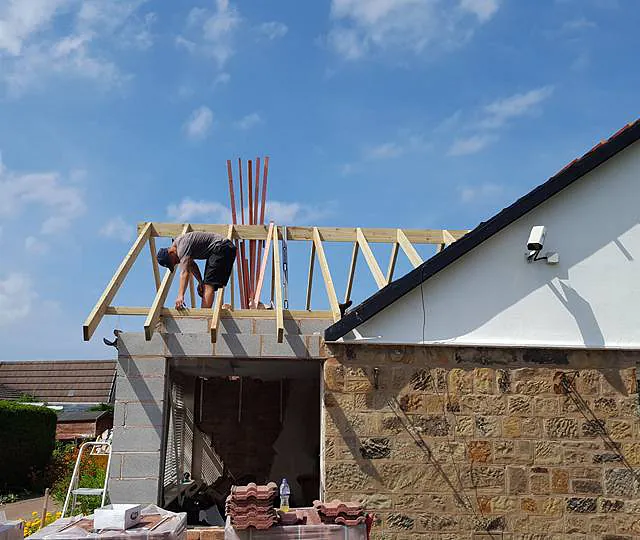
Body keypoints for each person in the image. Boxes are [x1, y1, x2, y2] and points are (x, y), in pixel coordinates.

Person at [156, 231, 237, 309]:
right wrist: (200, 281)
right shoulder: (182, 247)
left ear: (170, 252)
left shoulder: (182, 246)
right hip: (222, 249)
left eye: (173, 261)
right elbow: (191, 265)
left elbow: (184, 272)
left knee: (209, 285)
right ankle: (205, 314)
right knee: (208, 285)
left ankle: (204, 317)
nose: (176, 263)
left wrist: (180, 296)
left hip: (221, 247)